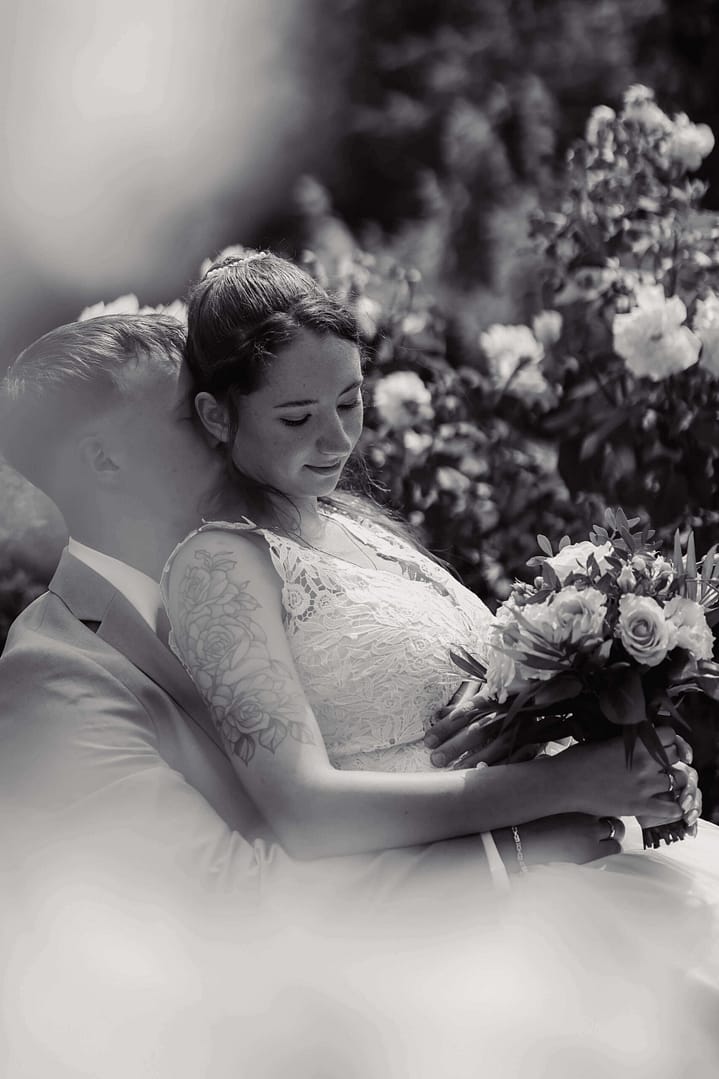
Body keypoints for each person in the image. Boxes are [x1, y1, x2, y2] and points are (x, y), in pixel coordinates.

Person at [4, 310, 691, 1078]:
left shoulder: (295, 542)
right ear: (104, 459)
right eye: (191, 408)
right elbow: (223, 903)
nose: (225, 417)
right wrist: (515, 847)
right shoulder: (53, 673)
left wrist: (582, 725)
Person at [163, 249, 706, 865]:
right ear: (216, 415)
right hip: (466, 900)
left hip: (568, 852)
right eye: (296, 418)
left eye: (348, 402)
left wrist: (619, 756)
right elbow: (303, 812)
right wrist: (563, 787)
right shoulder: (218, 566)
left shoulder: (355, 525)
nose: (339, 439)